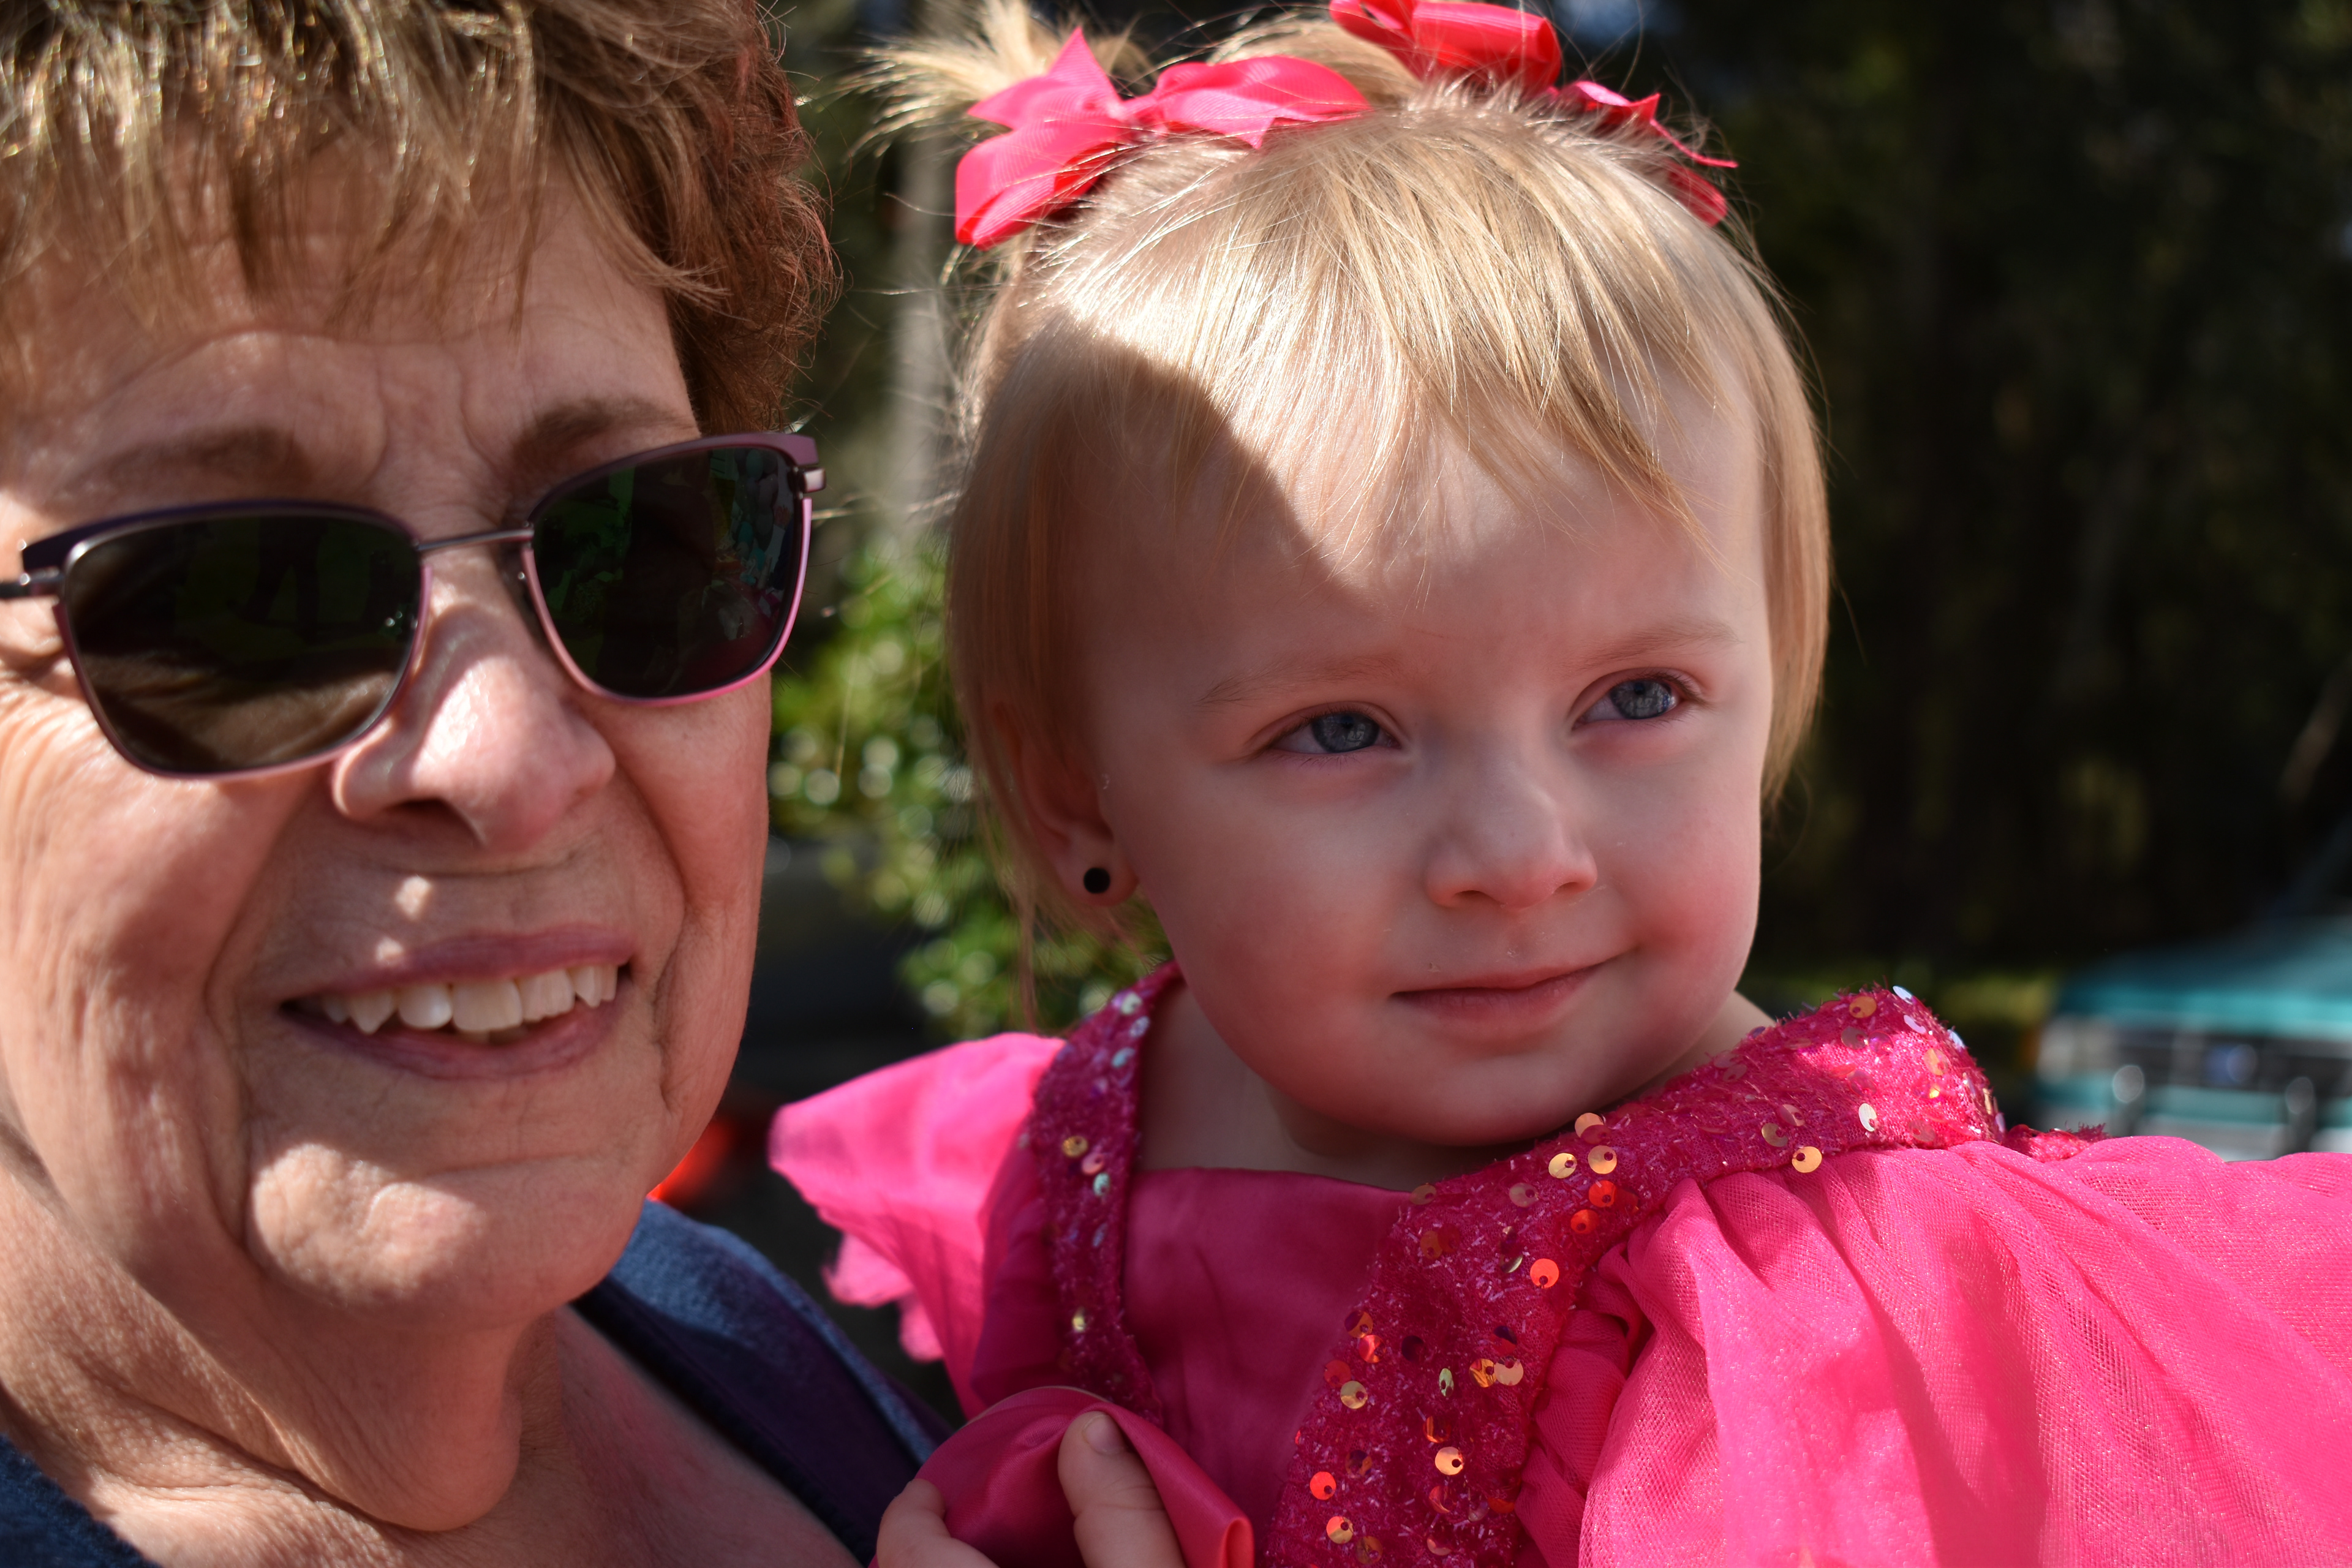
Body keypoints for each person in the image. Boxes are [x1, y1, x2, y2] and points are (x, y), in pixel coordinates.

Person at [775, 1, 2352, 1562]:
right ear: (1082, 798)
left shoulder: (1817, 1301)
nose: (1520, 856)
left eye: (1637, 697)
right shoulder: (1072, 1152)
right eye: (1343, 729)